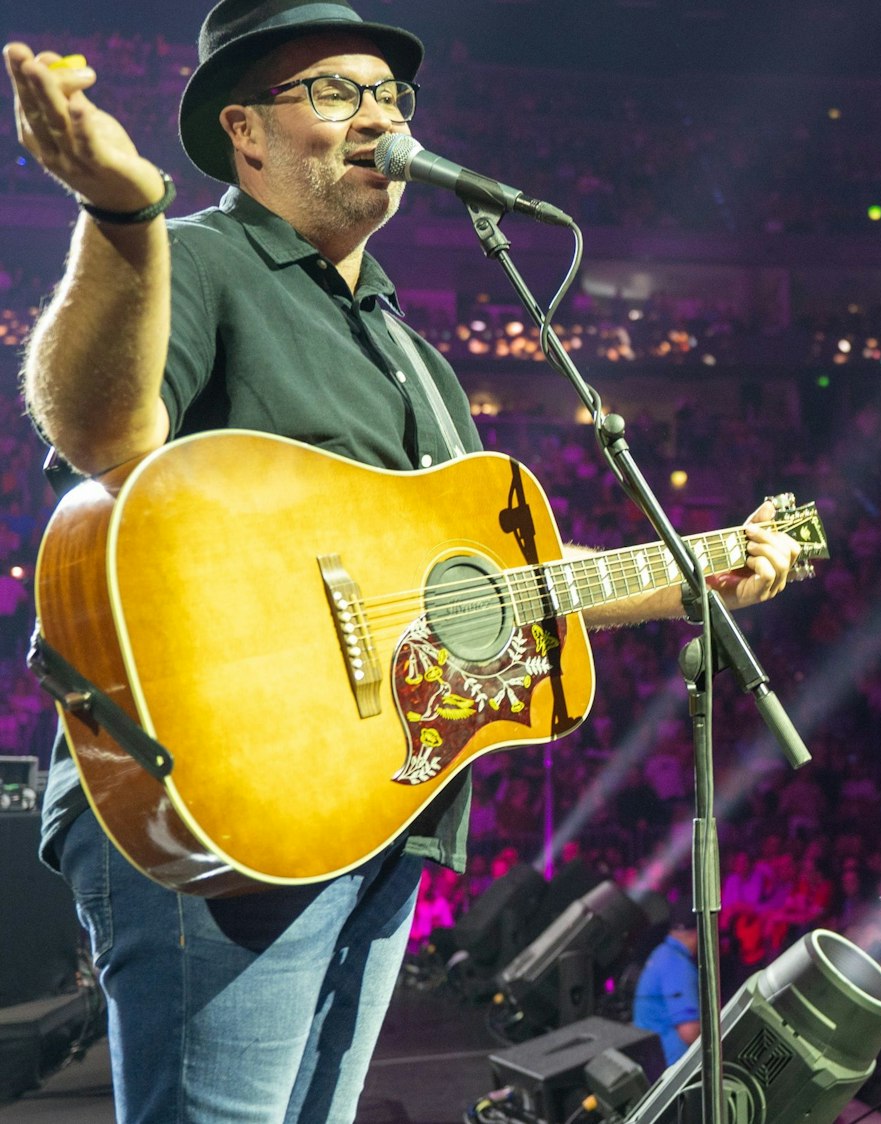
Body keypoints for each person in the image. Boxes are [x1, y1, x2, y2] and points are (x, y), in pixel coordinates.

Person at [7, 4, 802, 1120]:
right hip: (223, 796)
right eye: (335, 90)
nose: (377, 114)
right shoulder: (197, 261)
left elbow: (489, 571)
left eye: (390, 95)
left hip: (373, 811)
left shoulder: (415, 354)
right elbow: (100, 437)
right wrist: (123, 216)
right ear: (246, 129)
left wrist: (683, 575)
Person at [632, 902, 702, 1066]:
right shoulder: (677, 965)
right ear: (696, 933)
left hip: (653, 1065)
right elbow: (689, 1032)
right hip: (671, 1073)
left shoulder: (662, 954)